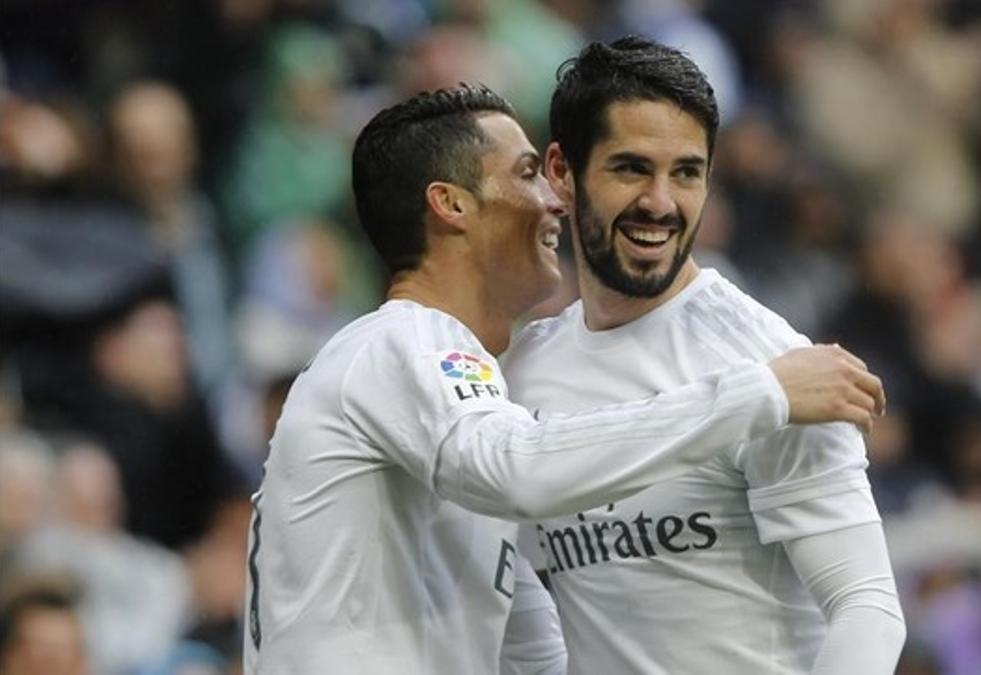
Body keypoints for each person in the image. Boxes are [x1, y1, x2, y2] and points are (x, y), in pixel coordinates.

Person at [245, 85, 886, 674]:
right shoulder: (401, 343)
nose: (555, 199)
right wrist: (761, 392)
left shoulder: (479, 398)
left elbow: (531, 647)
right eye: (527, 174)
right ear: (451, 204)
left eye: (687, 171)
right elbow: (518, 470)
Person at [503, 37, 907, 673]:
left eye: (686, 172)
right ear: (561, 170)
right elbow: (515, 591)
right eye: (631, 168)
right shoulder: (523, 371)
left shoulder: (779, 365)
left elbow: (867, 606)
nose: (661, 203)